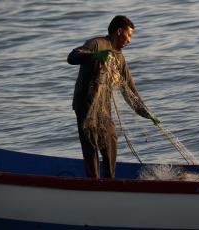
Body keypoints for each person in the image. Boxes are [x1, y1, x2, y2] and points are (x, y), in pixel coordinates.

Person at [67, 15, 160, 179]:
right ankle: (93, 184)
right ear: (119, 31)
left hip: (103, 107)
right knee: (91, 145)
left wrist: (146, 113)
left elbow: (130, 90)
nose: (130, 40)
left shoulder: (119, 57)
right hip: (85, 105)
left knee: (110, 140)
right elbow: (72, 57)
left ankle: (110, 183)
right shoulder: (97, 44)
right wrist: (96, 56)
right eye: (129, 35)